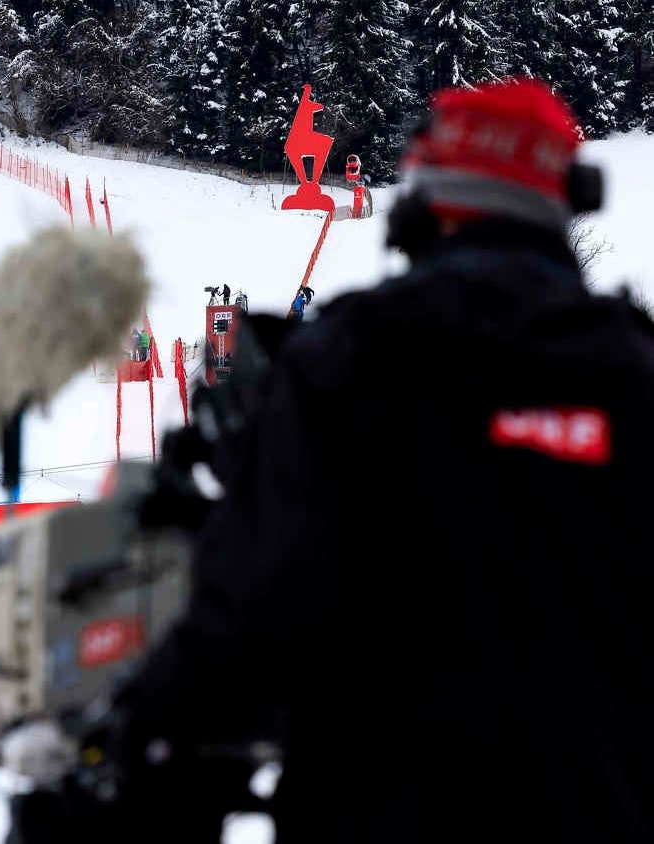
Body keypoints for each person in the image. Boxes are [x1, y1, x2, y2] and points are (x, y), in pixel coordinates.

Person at [41, 78, 654, 844]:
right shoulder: (637, 375)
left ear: (426, 199)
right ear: (568, 201)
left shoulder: (351, 361)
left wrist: (125, 769)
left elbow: (250, 619)